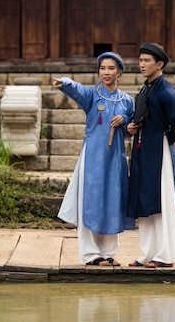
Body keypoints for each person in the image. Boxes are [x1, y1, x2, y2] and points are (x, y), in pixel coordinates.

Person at [53, 52, 135, 266]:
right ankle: (90, 254)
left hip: (115, 159)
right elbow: (77, 90)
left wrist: (126, 121)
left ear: (120, 72)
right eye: (102, 68)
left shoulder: (127, 101)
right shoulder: (91, 96)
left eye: (110, 68)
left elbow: (131, 129)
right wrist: (65, 83)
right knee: (91, 201)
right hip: (93, 159)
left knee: (112, 200)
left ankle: (108, 252)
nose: (105, 72)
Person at [126, 42, 175, 268]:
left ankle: (165, 255)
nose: (141, 64)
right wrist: (133, 128)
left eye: (146, 61)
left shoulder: (168, 92)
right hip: (143, 150)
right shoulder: (146, 89)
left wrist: (163, 142)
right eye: (140, 60)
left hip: (160, 151)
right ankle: (148, 253)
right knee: (146, 201)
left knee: (162, 201)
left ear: (159, 64)